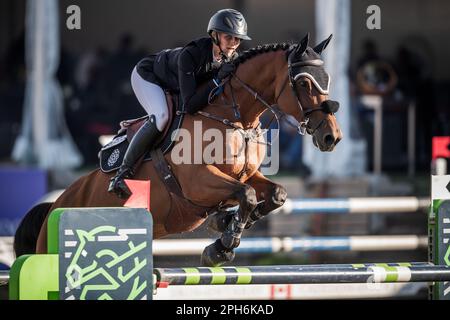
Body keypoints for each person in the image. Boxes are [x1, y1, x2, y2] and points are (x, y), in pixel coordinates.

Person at [108, 8, 251, 198]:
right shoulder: (192, 55)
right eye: (229, 37)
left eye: (238, 39)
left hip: (176, 84)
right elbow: (191, 105)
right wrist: (217, 81)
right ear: (215, 35)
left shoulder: (230, 58)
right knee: (162, 116)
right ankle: (122, 173)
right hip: (149, 76)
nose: (234, 44)